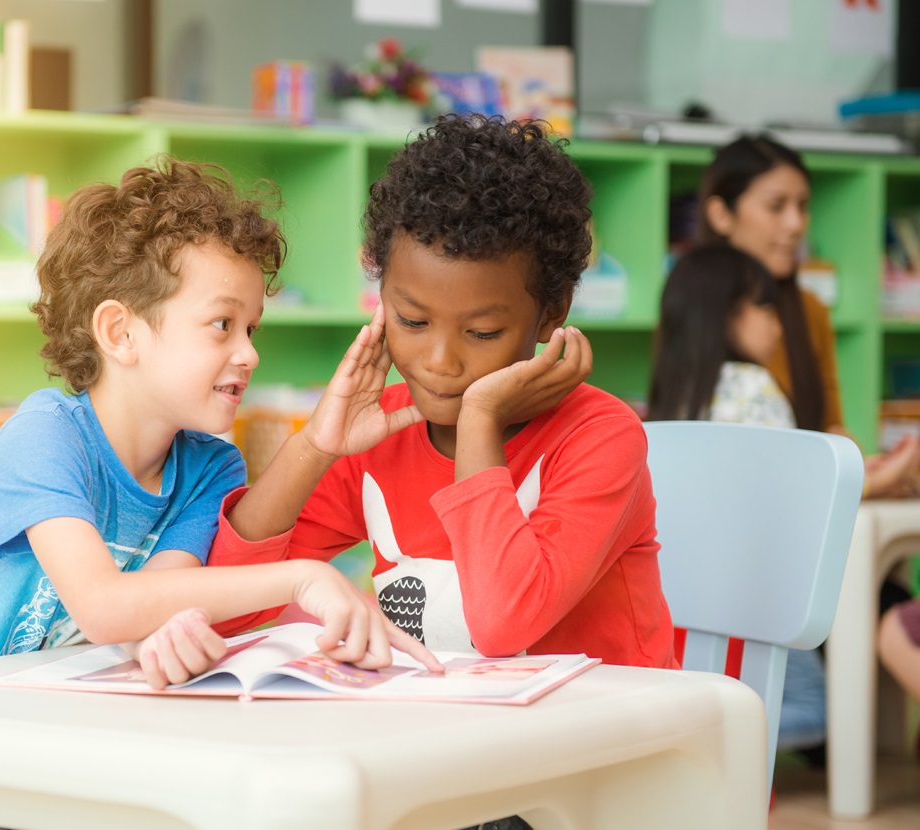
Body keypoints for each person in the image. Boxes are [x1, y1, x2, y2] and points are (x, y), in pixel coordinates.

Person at [0, 157, 439, 690]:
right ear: (120, 333)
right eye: (222, 324)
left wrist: (157, 637)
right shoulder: (45, 437)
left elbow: (153, 603)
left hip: (68, 715)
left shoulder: (211, 468)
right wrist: (306, 580)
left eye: (251, 330)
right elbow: (102, 607)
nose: (249, 355)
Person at [206, 115, 679, 672]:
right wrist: (317, 445)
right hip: (454, 731)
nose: (439, 362)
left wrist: (480, 419)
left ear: (551, 314)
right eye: (411, 320)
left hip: (607, 736)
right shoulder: (382, 430)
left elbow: (503, 624)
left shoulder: (600, 437)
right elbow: (225, 609)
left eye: (481, 333)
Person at [646, 243, 830, 753]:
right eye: (765, 306)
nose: (777, 323)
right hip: (761, 594)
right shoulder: (754, 386)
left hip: (682, 599)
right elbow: (789, 502)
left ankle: (696, 731)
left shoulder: (670, 403)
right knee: (819, 713)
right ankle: (705, 739)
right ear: (727, 315)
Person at [696, 134, 920, 496]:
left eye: (802, 206)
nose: (796, 224)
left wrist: (854, 461)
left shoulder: (810, 310)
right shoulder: (693, 309)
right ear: (722, 215)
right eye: (776, 206)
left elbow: (829, 428)